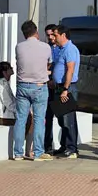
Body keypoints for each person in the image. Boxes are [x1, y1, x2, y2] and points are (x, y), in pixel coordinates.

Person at [13, 20, 53, 161]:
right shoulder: (46, 47)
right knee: (39, 120)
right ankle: (38, 152)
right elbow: (49, 63)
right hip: (39, 86)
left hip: (22, 86)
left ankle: (18, 153)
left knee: (21, 120)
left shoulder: (19, 47)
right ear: (36, 31)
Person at [51, 25, 80, 159]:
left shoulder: (70, 49)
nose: (53, 38)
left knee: (69, 119)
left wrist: (65, 89)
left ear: (63, 35)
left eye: (55, 35)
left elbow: (70, 69)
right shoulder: (60, 49)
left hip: (67, 87)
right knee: (62, 120)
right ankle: (64, 146)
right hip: (59, 86)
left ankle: (72, 148)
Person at [43, 23, 60, 155]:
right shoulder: (45, 48)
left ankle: (64, 145)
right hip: (48, 86)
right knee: (47, 118)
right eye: (48, 35)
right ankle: (47, 146)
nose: (50, 37)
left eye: (52, 35)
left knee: (62, 118)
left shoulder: (62, 49)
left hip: (59, 87)